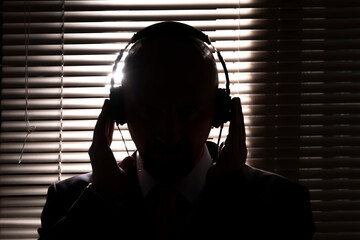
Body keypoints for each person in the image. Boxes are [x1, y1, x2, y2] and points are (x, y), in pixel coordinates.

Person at [38, 22, 316, 240]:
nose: (169, 134)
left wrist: (233, 196)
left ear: (220, 113)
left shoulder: (283, 205)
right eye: (149, 111)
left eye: (188, 112)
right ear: (119, 112)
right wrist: (97, 199)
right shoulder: (69, 202)